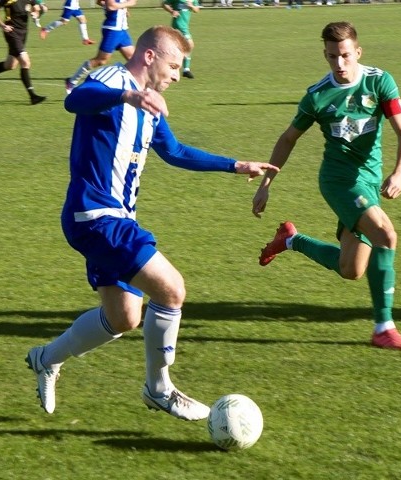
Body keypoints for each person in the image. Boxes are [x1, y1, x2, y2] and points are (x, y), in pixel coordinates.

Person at [25, 25, 279, 419]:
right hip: (97, 215)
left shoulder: (149, 106)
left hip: (111, 219)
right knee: (171, 289)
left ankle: (46, 358)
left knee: (123, 317)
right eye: (174, 65)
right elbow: (75, 99)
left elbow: (174, 151)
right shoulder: (116, 79)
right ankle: (159, 388)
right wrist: (128, 95)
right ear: (149, 56)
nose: (177, 75)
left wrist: (234, 165)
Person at [252, 21, 401, 352]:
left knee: (351, 269)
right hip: (339, 181)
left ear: (357, 52)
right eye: (332, 57)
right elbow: (288, 138)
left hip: (369, 182)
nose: (339, 64)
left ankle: (291, 240)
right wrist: (267, 183)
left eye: (345, 55)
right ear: (325, 55)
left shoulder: (379, 82)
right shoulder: (317, 95)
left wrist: (399, 173)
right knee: (385, 235)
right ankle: (383, 328)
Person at [65, 0, 136, 94]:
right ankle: (71, 82)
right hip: (112, 30)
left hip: (123, 30)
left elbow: (100, 2)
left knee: (134, 59)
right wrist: (127, 4)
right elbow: (111, 6)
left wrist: (123, 9)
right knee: (101, 60)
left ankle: (143, 88)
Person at [0, 0, 46, 104]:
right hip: (11, 31)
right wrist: (3, 26)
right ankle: (33, 96)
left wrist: (36, 13)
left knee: (10, 65)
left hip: (23, 32)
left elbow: (37, 8)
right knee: (25, 61)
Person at [161, 0, 199, 79]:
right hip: (178, 25)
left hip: (185, 26)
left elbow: (197, 10)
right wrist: (172, 11)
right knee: (189, 45)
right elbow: (164, 4)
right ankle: (185, 69)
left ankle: (177, 68)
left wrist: (191, 6)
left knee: (178, 48)